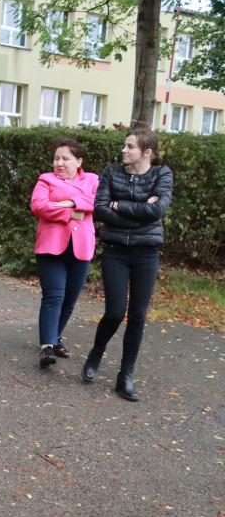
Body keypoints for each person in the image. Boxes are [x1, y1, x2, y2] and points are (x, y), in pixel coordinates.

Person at [82, 130, 173, 401]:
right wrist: (139, 212)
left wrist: (118, 205)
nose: (124, 150)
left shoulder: (162, 174)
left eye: (130, 146)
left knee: (137, 316)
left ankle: (125, 376)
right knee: (114, 312)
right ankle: (96, 352)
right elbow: (99, 210)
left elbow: (157, 211)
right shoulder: (111, 172)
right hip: (116, 251)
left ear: (147, 152)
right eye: (125, 145)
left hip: (147, 253)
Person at [30, 138, 99, 368]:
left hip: (81, 247)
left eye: (65, 158)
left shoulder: (92, 179)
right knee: (53, 297)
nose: (59, 163)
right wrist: (71, 213)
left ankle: (54, 337)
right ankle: (47, 347)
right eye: (56, 158)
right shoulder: (45, 179)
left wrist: (65, 203)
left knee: (69, 300)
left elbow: (97, 201)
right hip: (52, 247)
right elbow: (38, 206)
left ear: (78, 161)